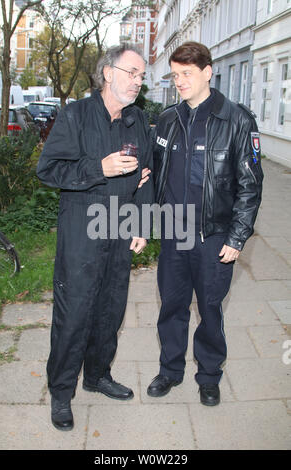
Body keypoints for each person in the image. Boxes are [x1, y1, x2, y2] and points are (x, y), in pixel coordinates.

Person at [36, 44, 153, 431]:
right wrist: (97, 167)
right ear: (107, 73)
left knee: (110, 311)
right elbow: (49, 170)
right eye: (132, 72)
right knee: (74, 314)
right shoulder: (75, 115)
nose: (138, 81)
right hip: (81, 234)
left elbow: (146, 178)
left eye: (141, 75)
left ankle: (97, 375)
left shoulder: (138, 121)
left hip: (119, 232)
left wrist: (141, 223)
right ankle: (61, 391)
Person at [148, 41, 263, 406]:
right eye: (175, 74)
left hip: (214, 237)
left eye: (187, 74)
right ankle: (170, 370)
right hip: (174, 234)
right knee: (171, 305)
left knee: (210, 308)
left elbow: (250, 185)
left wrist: (238, 236)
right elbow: (156, 176)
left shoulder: (237, 120)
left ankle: (209, 375)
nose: (179, 81)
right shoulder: (168, 118)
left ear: (207, 72)